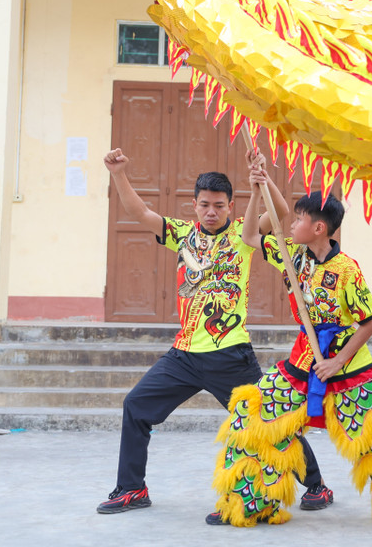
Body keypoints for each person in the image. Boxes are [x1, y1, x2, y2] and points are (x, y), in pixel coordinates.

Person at [205, 152, 372, 529]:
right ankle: (249, 501)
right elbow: (250, 236)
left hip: (350, 366)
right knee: (256, 418)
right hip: (303, 361)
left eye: (299, 218)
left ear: (319, 228)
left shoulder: (347, 270)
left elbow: (370, 321)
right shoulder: (292, 255)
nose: (294, 222)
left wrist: (336, 362)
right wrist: (256, 188)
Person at [96, 148, 331, 514]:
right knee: (136, 406)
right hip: (184, 355)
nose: (211, 212)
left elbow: (283, 213)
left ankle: (316, 484)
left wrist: (262, 178)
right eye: (205, 204)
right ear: (194, 205)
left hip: (230, 355)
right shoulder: (181, 234)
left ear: (230, 207)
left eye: (219, 205)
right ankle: (131, 489)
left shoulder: (244, 233)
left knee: (269, 419)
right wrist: (119, 174)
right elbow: (138, 212)